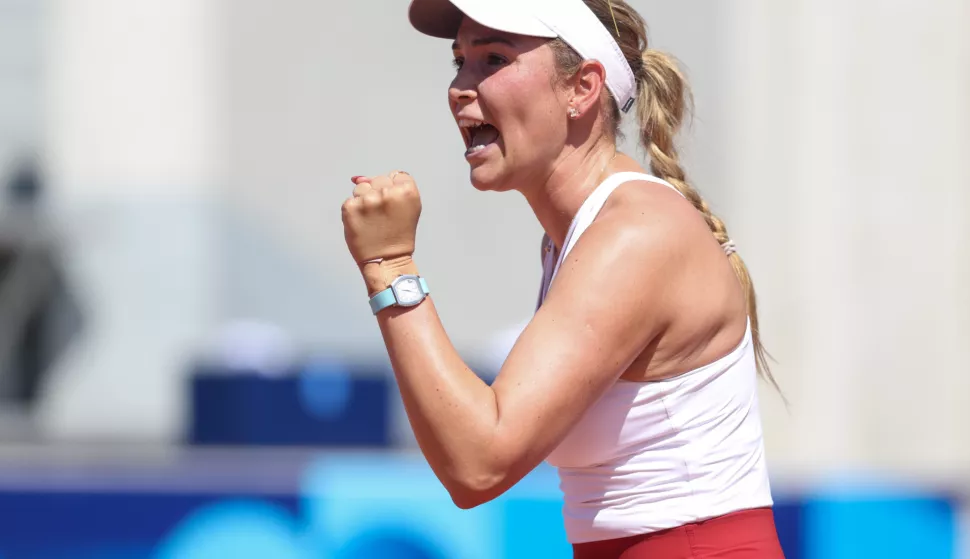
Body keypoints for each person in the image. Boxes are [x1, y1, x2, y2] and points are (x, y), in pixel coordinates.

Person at [340, 0, 786, 556]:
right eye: (458, 62)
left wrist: (392, 265)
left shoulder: (635, 234)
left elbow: (479, 464)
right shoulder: (582, 235)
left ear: (582, 88)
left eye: (494, 58)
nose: (460, 87)